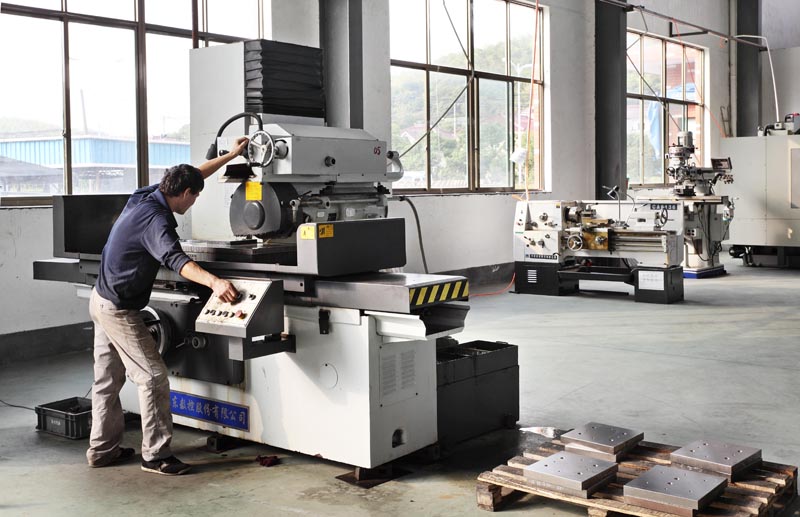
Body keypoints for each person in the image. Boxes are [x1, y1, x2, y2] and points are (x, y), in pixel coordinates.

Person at [86, 137, 248, 475]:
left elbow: (195, 173)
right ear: (185, 194)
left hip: (100, 299)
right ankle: (156, 455)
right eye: (196, 196)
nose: (195, 201)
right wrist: (216, 283)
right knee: (153, 377)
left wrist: (231, 156)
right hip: (119, 309)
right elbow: (177, 260)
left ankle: (102, 451)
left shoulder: (146, 194)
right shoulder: (157, 221)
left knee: (107, 380)